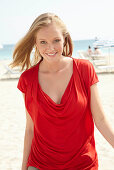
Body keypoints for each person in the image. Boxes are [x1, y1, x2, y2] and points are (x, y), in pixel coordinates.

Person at [9, 13, 114, 170]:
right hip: (40, 164)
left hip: (83, 164)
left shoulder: (84, 70)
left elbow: (100, 119)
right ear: (35, 44)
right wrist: (23, 167)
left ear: (64, 39)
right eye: (43, 42)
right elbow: (30, 128)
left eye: (56, 40)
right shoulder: (27, 79)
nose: (50, 48)